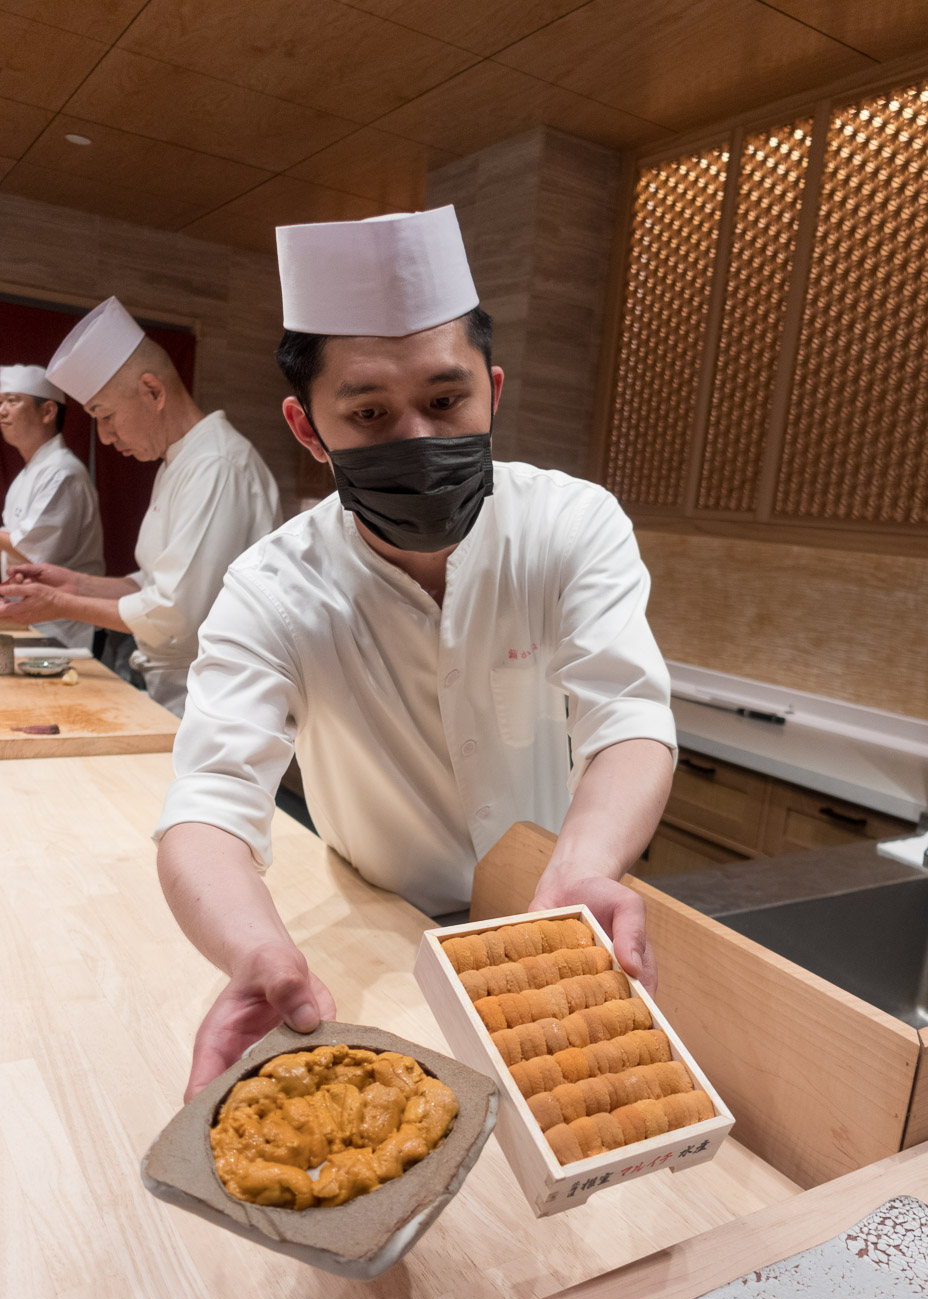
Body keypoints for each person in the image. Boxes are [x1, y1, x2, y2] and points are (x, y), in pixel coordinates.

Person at [154, 207, 679, 1099]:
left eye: (446, 402)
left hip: (548, 910)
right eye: (369, 413)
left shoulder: (569, 524)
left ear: (493, 391)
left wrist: (586, 866)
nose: (420, 441)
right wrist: (253, 947)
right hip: (374, 922)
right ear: (308, 428)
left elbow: (626, 714)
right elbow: (209, 801)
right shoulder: (271, 588)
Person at [0, 298, 282, 714]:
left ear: (153, 391)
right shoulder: (178, 461)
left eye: (106, 415)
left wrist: (61, 604)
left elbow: (174, 611)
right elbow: (154, 582)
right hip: (176, 689)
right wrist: (73, 583)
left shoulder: (215, 464)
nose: (107, 437)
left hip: (215, 700)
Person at [0, 364, 104, 650]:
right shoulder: (28, 474)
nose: (3, 411)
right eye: (0, 402)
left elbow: (29, 547)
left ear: (47, 411)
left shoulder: (62, 472)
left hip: (65, 625)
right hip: (30, 614)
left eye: (12, 400)